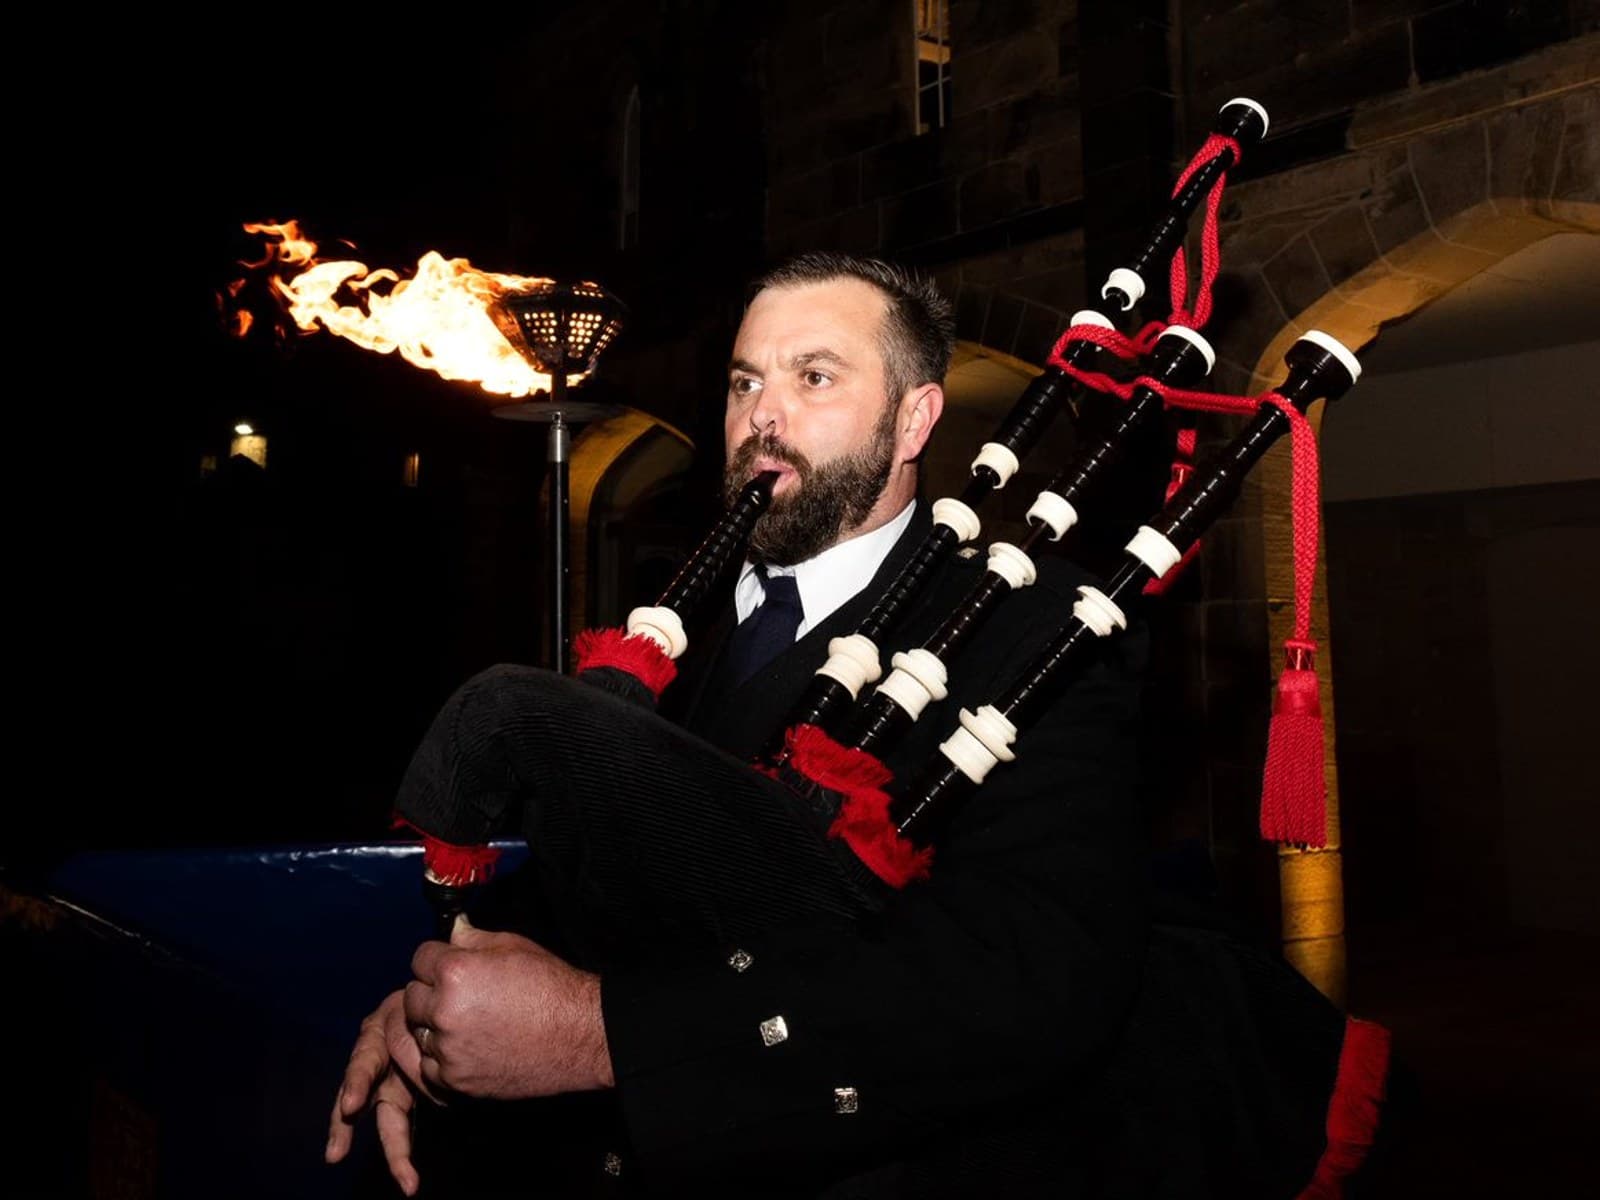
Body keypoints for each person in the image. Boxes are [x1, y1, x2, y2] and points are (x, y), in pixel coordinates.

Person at [325, 253, 1370, 1197]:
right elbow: (609, 888)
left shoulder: (1032, 629)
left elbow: (1019, 982)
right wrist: (449, 1008)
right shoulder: (660, 628)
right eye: (745, 381)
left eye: (813, 378)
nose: (761, 417)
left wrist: (598, 1036)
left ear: (914, 423)